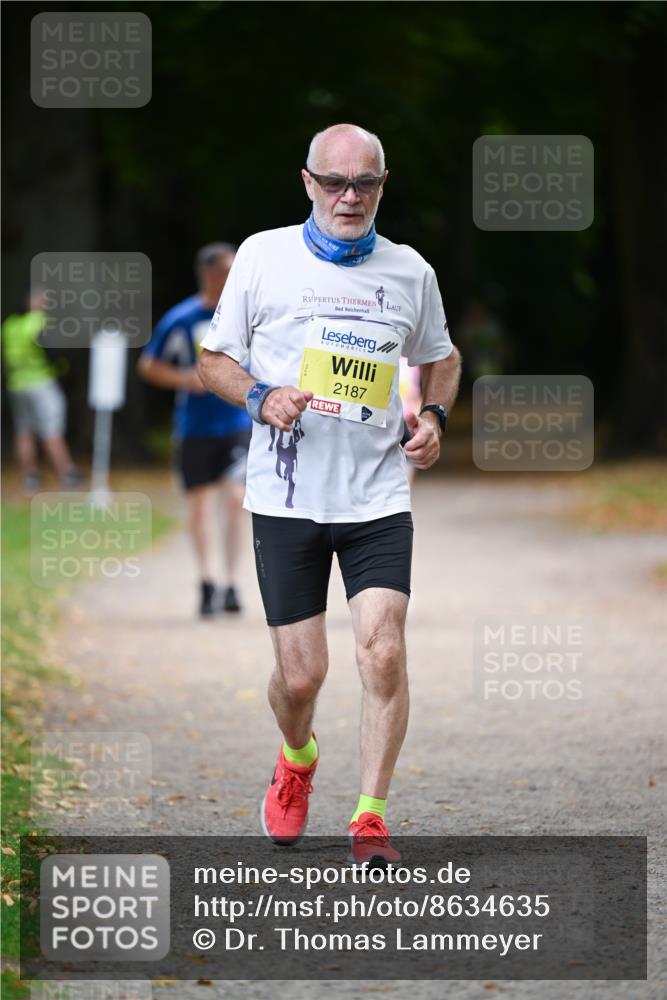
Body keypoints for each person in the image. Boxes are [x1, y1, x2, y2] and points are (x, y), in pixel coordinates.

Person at [199, 124, 461, 864]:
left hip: (377, 495)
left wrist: (433, 418)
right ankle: (297, 757)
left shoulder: (409, 271)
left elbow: (441, 358)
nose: (350, 197)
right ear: (308, 182)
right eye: (335, 182)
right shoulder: (262, 256)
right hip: (286, 496)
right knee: (300, 674)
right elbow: (212, 361)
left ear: (382, 186)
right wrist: (259, 396)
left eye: (365, 184)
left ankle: (370, 814)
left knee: (381, 654)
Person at [138, 244, 251, 617]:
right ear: (208, 274)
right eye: (226, 270)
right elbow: (149, 365)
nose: (233, 276)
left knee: (236, 500)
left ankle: (232, 583)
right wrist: (185, 378)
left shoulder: (244, 314)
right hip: (194, 429)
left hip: (237, 424)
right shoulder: (182, 318)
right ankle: (206, 581)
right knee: (199, 507)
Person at [2, 289, 80, 494]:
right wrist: (63, 369)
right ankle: (67, 473)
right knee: (51, 428)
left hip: (16, 383)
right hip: (41, 382)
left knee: (24, 431)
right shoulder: (39, 322)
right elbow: (53, 353)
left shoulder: (11, 325)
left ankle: (30, 476)